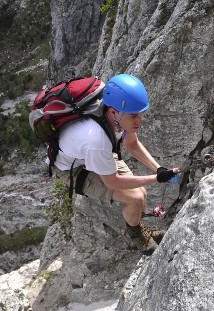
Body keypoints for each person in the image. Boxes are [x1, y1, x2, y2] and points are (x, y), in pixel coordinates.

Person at [52, 74, 180, 255]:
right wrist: (156, 178)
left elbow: (132, 144)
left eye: (140, 114)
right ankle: (136, 236)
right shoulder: (97, 140)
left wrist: (158, 169)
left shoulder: (116, 116)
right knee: (135, 198)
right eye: (134, 115)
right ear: (114, 113)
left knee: (141, 193)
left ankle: (136, 225)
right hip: (74, 169)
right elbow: (113, 182)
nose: (139, 121)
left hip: (89, 153)